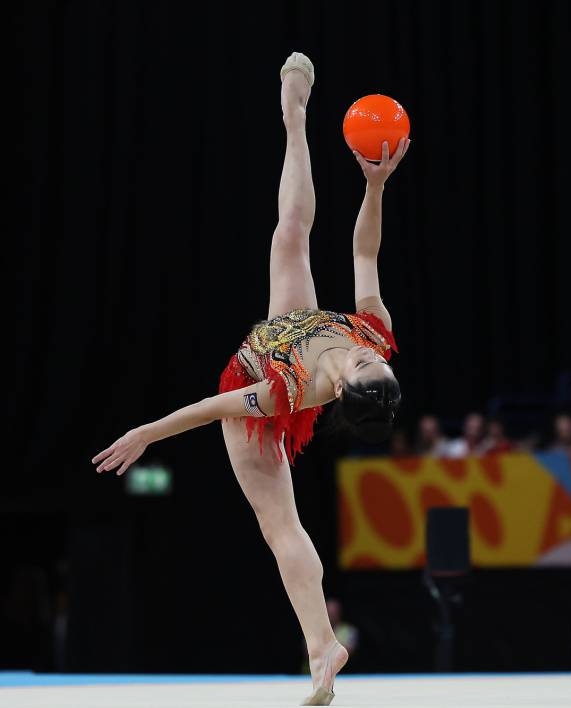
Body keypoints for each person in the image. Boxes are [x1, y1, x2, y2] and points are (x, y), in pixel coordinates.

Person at [92, 53, 409, 706]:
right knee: (290, 232)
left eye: (362, 371)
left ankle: (323, 648)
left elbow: (212, 407)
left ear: (348, 391)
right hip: (290, 326)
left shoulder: (289, 393)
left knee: (279, 526)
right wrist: (375, 187)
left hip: (256, 384)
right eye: (375, 365)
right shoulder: (374, 334)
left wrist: (145, 433)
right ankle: (295, 116)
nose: (368, 359)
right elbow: (364, 253)